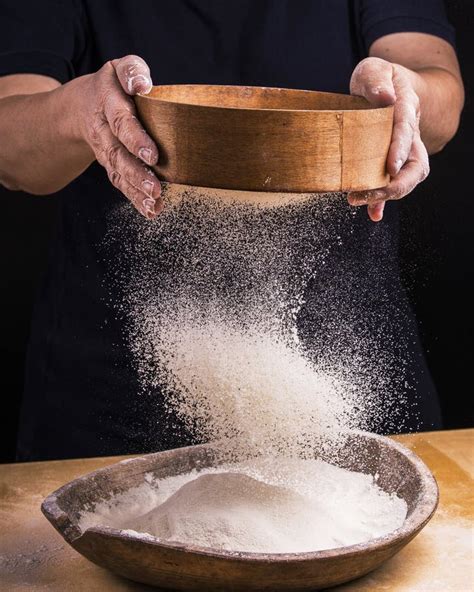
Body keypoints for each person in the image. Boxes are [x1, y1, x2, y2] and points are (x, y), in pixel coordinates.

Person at [0, 1, 464, 461]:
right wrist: (79, 111)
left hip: (340, 380)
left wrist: (408, 92)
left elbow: (438, 93)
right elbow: (12, 150)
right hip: (111, 391)